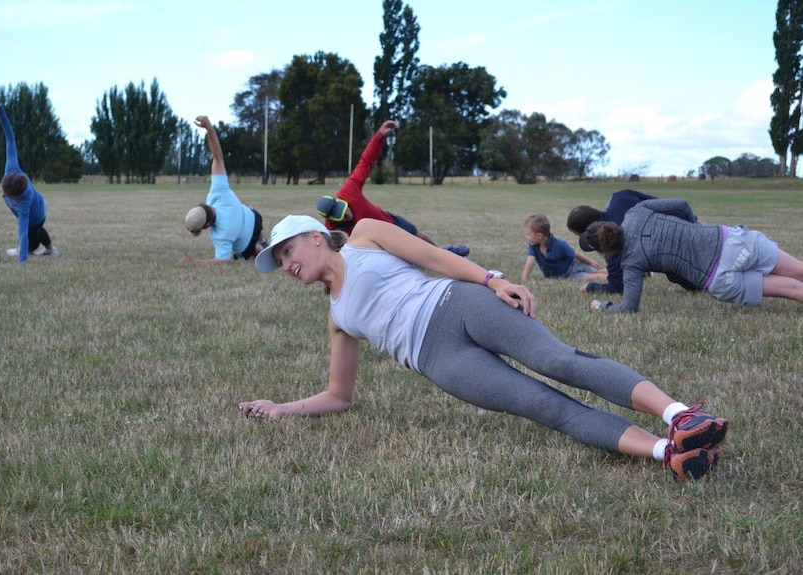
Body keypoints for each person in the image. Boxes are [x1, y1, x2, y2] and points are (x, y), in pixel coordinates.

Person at [241, 213, 730, 481]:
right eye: (278, 260)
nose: (285, 264)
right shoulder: (337, 318)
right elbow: (339, 396)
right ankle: (669, 453)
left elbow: (433, 257)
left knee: (556, 360)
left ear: (315, 237)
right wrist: (282, 408)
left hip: (458, 303)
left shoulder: (365, 236)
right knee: (545, 408)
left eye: (286, 251)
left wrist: (492, 280)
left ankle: (681, 415)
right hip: (440, 361)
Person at [584, 197, 803, 312]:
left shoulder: (631, 265)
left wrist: (601, 306)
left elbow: (629, 308)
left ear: (605, 251)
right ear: (608, 222)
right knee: (799, 270)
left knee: (793, 289)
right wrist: (694, 227)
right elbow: (681, 205)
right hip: (733, 243)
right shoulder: (637, 211)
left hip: (718, 279)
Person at [315, 119, 470, 257]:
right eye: (340, 216)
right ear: (332, 219)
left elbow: (366, 162)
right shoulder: (331, 230)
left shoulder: (348, 191)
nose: (347, 214)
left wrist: (380, 137)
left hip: (389, 221)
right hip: (377, 245)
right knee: (413, 255)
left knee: (419, 237)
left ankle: (445, 253)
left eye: (344, 209)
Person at [567, 189, 698, 293]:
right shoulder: (621, 197)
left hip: (680, 257)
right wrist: (695, 223)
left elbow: (617, 287)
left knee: (675, 274)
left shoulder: (614, 246)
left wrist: (590, 287)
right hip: (690, 229)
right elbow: (666, 206)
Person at [181, 115, 268, 264]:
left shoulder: (220, 235)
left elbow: (222, 260)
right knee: (250, 219)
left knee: (244, 250)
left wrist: (194, 262)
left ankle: (262, 251)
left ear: (207, 225)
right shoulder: (218, 192)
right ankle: (264, 240)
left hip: (247, 243)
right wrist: (209, 128)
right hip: (254, 218)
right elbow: (218, 157)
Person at [0, 102, 59, 262]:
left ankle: (37, 249)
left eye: (5, 194)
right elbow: (10, 138)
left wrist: (22, 261)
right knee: (34, 231)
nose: (2, 195)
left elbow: (22, 232)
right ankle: (50, 250)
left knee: (31, 242)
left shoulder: (24, 202)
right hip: (39, 204)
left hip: (37, 213)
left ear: (16, 197)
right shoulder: (11, 167)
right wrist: (1, 111)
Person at [521, 213, 606, 282]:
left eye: (528, 234)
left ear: (539, 235)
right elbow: (530, 262)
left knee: (597, 270)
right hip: (567, 275)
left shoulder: (560, 243)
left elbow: (575, 254)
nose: (526, 236)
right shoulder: (533, 245)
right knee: (592, 277)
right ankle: (609, 276)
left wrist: (591, 262)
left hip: (575, 265)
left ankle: (615, 275)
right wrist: (524, 279)